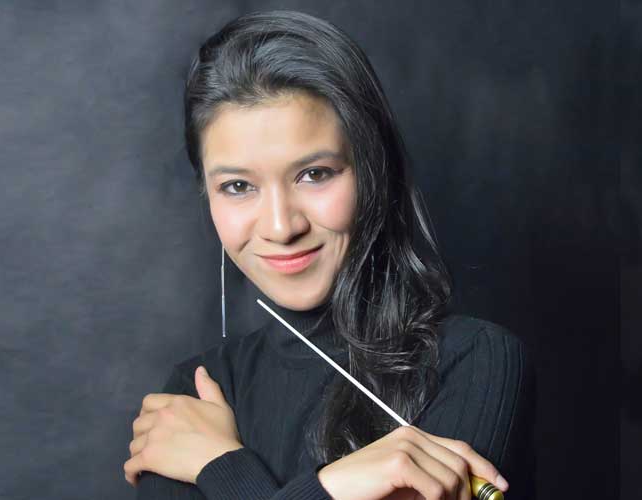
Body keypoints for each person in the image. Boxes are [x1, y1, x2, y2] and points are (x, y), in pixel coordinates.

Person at [123, 9, 536, 500]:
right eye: (238, 186)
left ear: (372, 171)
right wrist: (338, 486)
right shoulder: (192, 398)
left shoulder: (475, 361)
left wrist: (220, 466)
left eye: (314, 174)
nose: (282, 227)